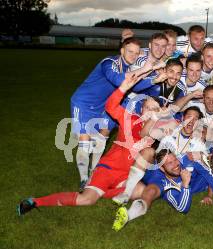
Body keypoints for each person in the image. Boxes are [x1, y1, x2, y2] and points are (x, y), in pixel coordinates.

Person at [17, 74, 159, 216]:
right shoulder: (129, 118)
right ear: (142, 110)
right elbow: (110, 106)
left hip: (126, 177)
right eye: (147, 107)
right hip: (108, 169)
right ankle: (35, 201)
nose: (150, 112)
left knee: (145, 192)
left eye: (154, 109)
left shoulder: (161, 129)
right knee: (87, 200)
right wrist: (123, 88)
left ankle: (112, 196)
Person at [70, 37, 156, 190]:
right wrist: (145, 69)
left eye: (136, 53)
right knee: (85, 142)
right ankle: (84, 180)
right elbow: (116, 80)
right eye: (130, 51)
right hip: (82, 104)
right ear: (122, 50)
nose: (133, 55)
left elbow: (133, 86)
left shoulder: (127, 70)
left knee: (101, 138)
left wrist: (155, 80)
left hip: (102, 107)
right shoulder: (109, 62)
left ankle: (94, 173)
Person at [112, 149, 213, 231]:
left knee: (149, 191)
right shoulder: (169, 187)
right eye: (169, 163)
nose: (175, 165)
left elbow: (208, 171)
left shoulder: (184, 161)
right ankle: (127, 203)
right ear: (162, 168)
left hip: (157, 180)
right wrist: (185, 186)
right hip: (151, 175)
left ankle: (128, 213)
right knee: (148, 154)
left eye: (175, 160)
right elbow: (183, 208)